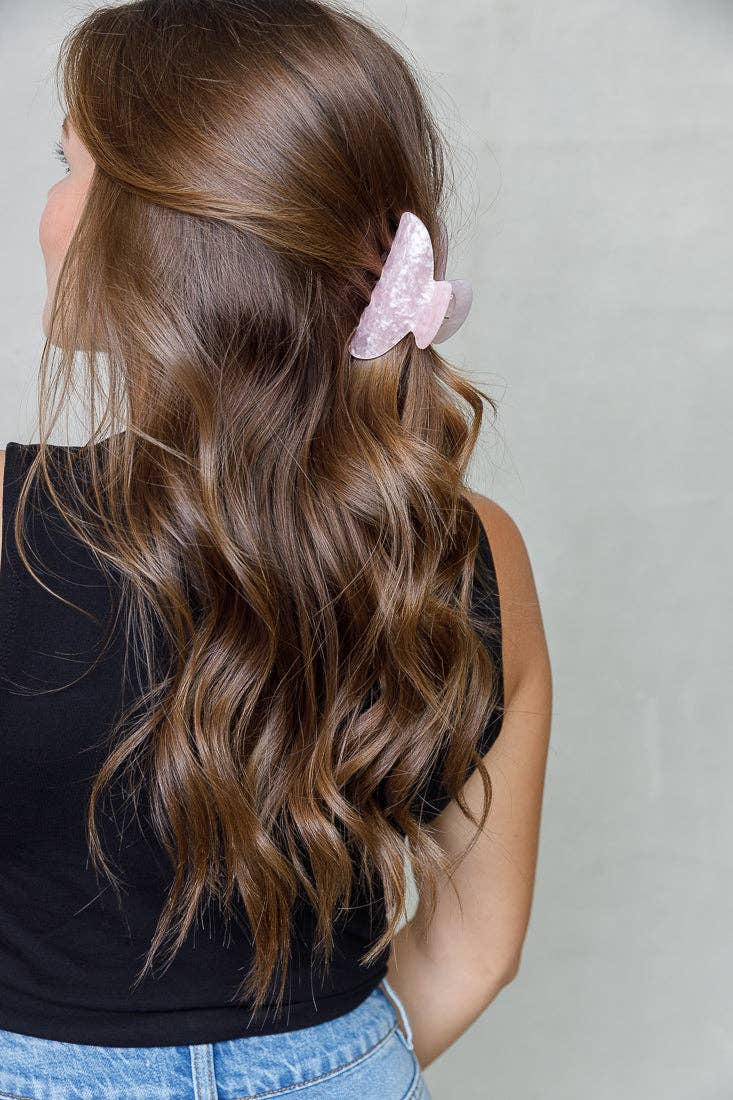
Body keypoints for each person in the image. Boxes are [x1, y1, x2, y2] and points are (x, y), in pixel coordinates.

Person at [0, 0, 552, 1095]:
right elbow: (476, 948)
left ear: (157, 232)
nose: (51, 213)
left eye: (71, 169)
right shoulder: (468, 550)